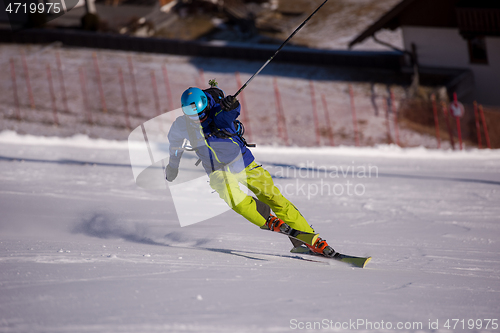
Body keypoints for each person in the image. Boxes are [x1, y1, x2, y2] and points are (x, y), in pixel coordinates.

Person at [165, 84, 334, 256]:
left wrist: (232, 104)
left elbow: (231, 112)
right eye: (194, 117)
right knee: (232, 196)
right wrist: (173, 165)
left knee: (274, 198)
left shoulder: (218, 112)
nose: (199, 119)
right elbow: (175, 145)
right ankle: (268, 220)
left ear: (206, 106)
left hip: (243, 162)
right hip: (217, 170)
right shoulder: (182, 125)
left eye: (202, 115)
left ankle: (311, 240)